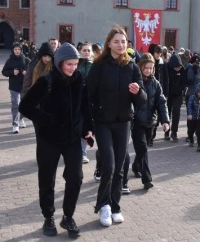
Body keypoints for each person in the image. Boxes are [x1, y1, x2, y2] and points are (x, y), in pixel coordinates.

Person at [18, 43, 94, 238]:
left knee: (75, 177)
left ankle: (68, 216)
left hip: (72, 139)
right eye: (69, 64)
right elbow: (25, 107)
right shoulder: (47, 81)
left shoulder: (79, 79)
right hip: (49, 139)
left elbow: (84, 107)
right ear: (60, 63)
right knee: (47, 179)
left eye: (76, 64)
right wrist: (46, 120)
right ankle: (48, 216)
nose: (73, 68)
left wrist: (87, 129)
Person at [87, 26, 147, 227]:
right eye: (117, 41)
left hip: (123, 122)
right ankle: (103, 205)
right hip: (103, 122)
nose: (121, 45)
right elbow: (89, 96)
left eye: (123, 41)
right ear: (109, 44)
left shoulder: (132, 66)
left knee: (121, 167)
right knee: (109, 166)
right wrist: (92, 120)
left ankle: (115, 206)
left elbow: (143, 99)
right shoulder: (99, 65)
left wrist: (137, 92)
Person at [129, 53, 170, 189]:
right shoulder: (135, 82)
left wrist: (165, 121)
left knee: (142, 149)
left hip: (150, 122)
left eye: (151, 68)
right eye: (146, 68)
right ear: (140, 67)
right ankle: (147, 179)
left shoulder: (155, 83)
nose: (148, 70)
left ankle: (135, 166)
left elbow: (161, 102)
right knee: (142, 149)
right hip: (136, 122)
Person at [1, 42, 30, 133]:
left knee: (23, 105)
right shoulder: (9, 61)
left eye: (18, 49)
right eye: (15, 49)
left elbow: (32, 69)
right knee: (15, 105)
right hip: (14, 87)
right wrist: (12, 73)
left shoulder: (26, 60)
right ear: (13, 50)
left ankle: (20, 119)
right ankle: (15, 124)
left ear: (21, 50)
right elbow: (4, 72)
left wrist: (27, 72)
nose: (17, 51)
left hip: (24, 87)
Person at [77, 42, 93, 164]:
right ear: (80, 51)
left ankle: (83, 152)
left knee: (88, 126)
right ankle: (80, 152)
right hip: (78, 98)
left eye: (88, 50)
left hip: (91, 99)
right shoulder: (76, 65)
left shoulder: (95, 65)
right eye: (84, 50)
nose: (87, 52)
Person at [165, 53, 187, 142]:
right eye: (176, 66)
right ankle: (166, 131)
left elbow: (184, 82)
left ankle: (174, 132)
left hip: (178, 95)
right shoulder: (167, 69)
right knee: (167, 113)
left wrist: (181, 90)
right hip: (168, 95)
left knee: (176, 112)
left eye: (179, 66)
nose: (178, 68)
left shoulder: (182, 70)